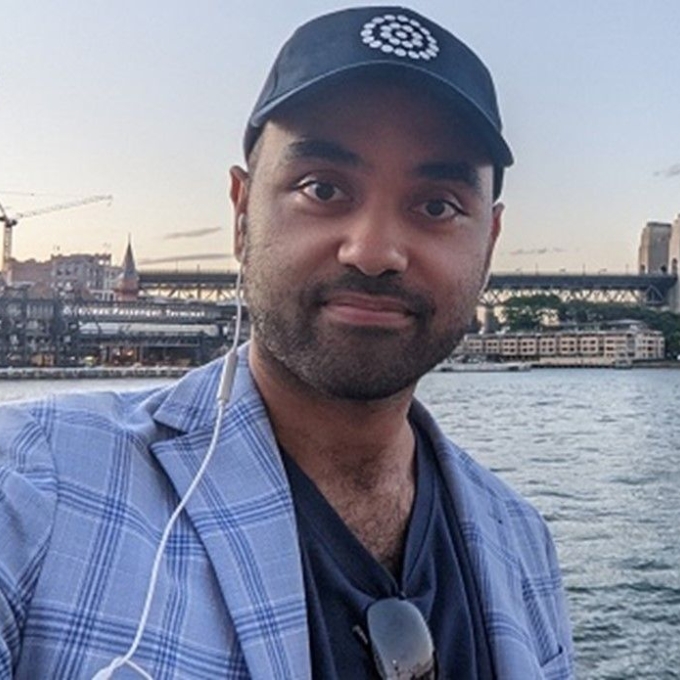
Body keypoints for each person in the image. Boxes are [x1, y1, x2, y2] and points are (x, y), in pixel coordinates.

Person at [0, 6, 574, 679]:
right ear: (242, 214)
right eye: (322, 188)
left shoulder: (523, 543)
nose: (374, 251)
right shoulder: (32, 482)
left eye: (437, 205)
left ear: (490, 242)